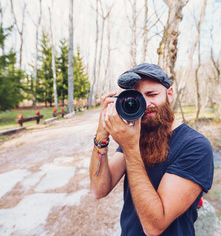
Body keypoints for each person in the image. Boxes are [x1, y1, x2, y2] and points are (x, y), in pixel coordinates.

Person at [89, 63, 214, 236]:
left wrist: (131, 148)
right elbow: (99, 189)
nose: (145, 103)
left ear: (169, 94)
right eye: (137, 97)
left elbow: (154, 226)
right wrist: (101, 135)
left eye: (152, 94)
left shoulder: (195, 146)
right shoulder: (136, 135)